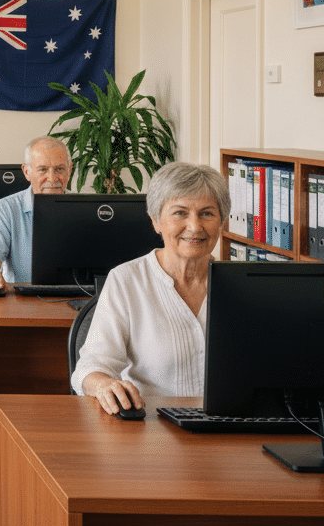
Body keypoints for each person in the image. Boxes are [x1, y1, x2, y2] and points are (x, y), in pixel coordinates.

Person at [70, 161, 230, 415]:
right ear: (156, 221)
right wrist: (104, 385)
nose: (195, 226)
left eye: (207, 213)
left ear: (222, 222)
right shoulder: (126, 280)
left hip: (228, 432)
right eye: (180, 213)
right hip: (152, 432)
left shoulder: (240, 285)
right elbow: (91, 366)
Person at [0, 136, 72, 294]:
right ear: (27, 172)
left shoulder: (88, 209)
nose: (52, 178)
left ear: (70, 170)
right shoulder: (4, 210)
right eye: (43, 170)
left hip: (79, 302)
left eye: (60, 169)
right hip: (22, 301)